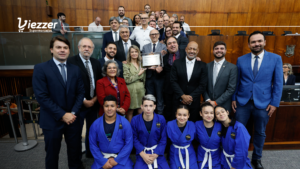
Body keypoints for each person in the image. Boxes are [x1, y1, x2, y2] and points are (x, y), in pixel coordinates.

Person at [232, 31, 283, 169]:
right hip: (242, 102)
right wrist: (234, 97)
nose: (256, 44)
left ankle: (256, 158)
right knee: (239, 131)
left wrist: (274, 103)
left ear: (265, 42)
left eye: (259, 41)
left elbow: (278, 83)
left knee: (260, 132)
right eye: (253, 42)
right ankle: (239, 156)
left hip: (264, 103)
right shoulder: (241, 59)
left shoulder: (275, 59)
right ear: (249, 44)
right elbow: (236, 81)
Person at [32, 36, 85, 169]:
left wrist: (72, 113)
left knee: (75, 153)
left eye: (65, 48)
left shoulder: (75, 69)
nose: (62, 50)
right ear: (51, 50)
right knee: (52, 154)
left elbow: (80, 93)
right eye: (58, 47)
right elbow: (42, 96)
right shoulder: (41, 68)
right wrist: (62, 114)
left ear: (69, 50)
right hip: (51, 120)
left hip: (73, 120)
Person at [68, 37, 103, 158]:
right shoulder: (71, 62)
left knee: (92, 131)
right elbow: (70, 85)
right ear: (79, 48)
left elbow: (99, 82)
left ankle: (90, 153)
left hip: (93, 104)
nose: (87, 49)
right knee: (76, 133)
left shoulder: (96, 62)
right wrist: (83, 101)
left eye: (89, 47)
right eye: (84, 46)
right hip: (78, 105)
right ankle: (76, 158)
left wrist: (94, 99)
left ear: (93, 49)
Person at [89, 95, 133, 169]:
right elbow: (92, 144)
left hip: (120, 158)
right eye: (107, 106)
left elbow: (129, 144)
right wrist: (102, 161)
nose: (109, 109)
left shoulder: (125, 123)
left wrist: (117, 160)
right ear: (103, 106)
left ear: (116, 107)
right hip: (102, 159)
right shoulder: (95, 124)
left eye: (112, 106)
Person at [170, 41, 207, 121]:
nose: (192, 51)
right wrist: (182, 96)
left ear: (198, 51)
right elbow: (173, 81)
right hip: (178, 100)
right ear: (186, 49)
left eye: (194, 49)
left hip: (194, 102)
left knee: (192, 125)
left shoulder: (203, 65)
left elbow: (202, 85)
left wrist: (190, 97)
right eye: (190, 48)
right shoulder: (176, 63)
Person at [131, 94, 170, 169]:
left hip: (157, 153)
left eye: (150, 106)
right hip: (142, 153)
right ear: (141, 106)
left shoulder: (161, 119)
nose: (148, 109)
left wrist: (156, 154)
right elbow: (134, 138)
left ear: (154, 107)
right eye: (145, 106)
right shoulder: (135, 120)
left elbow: (163, 139)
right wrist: (143, 154)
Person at [203, 41, 237, 112]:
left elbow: (231, 89)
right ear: (213, 51)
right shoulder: (206, 66)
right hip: (207, 105)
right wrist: (208, 99)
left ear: (225, 51)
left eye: (222, 48)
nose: (219, 50)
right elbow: (202, 85)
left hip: (223, 105)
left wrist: (216, 102)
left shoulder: (232, 68)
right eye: (216, 48)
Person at [142, 29, 167, 115]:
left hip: (159, 76)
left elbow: (164, 61)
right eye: (152, 34)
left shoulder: (164, 46)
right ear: (149, 36)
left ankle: (160, 115)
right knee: (150, 97)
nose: (154, 36)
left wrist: (157, 66)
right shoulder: (145, 47)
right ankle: (150, 115)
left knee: (160, 97)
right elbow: (144, 61)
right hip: (149, 76)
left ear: (159, 35)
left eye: (156, 34)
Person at [166, 105, 198, 169]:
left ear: (188, 115)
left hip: (189, 152)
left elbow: (197, 138)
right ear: (176, 114)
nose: (182, 117)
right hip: (175, 152)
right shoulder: (169, 125)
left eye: (185, 115)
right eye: (179, 114)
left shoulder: (192, 125)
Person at [195, 102, 222, 169]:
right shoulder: (197, 124)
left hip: (216, 156)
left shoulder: (220, 125)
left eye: (211, 113)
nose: (209, 115)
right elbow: (196, 138)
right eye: (206, 113)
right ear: (201, 113)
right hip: (202, 155)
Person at [123, 45, 146, 122]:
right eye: (132, 52)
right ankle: (129, 131)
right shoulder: (126, 65)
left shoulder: (142, 64)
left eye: (136, 51)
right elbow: (127, 80)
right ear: (129, 54)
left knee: (140, 110)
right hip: (131, 90)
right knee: (130, 111)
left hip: (141, 89)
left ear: (138, 53)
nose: (134, 53)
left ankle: (139, 129)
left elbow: (144, 79)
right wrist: (138, 74)